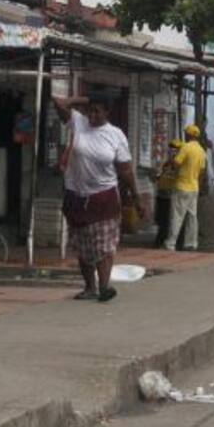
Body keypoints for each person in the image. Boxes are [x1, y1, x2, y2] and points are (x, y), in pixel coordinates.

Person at [53, 95, 145, 303]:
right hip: (76, 195)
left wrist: (136, 198)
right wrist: (83, 100)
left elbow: (126, 170)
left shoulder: (116, 135)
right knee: (82, 244)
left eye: (98, 111)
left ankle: (104, 287)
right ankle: (89, 287)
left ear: (107, 113)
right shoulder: (77, 121)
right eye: (90, 110)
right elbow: (58, 102)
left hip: (104, 196)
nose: (93, 115)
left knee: (103, 245)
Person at [164, 124, 207, 251]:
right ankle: (191, 243)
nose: (185, 135)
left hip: (181, 186)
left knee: (176, 216)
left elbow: (176, 164)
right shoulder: (201, 151)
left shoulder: (186, 147)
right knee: (192, 217)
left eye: (186, 133)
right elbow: (203, 171)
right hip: (194, 187)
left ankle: (171, 243)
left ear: (189, 135)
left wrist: (171, 160)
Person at [154, 139, 183, 248]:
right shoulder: (165, 164)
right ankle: (160, 240)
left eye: (175, 150)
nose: (172, 152)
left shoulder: (179, 164)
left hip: (171, 196)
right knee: (161, 220)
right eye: (170, 149)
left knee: (169, 221)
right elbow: (159, 176)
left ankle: (168, 241)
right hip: (161, 195)